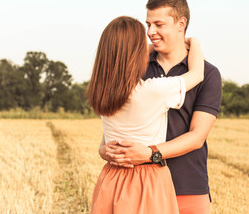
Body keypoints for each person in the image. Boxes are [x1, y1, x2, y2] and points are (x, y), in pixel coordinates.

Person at [100, 0, 222, 214]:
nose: (150, 32)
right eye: (148, 24)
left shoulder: (210, 73)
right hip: (138, 186)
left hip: (188, 186)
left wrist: (150, 153)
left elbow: (197, 136)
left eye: (158, 24)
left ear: (180, 24)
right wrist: (104, 149)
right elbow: (119, 125)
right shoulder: (133, 68)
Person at [86, 16, 204, 213]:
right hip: (146, 178)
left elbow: (120, 56)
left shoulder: (102, 92)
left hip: (111, 176)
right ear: (136, 53)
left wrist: (126, 48)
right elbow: (197, 74)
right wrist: (195, 43)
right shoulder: (152, 91)